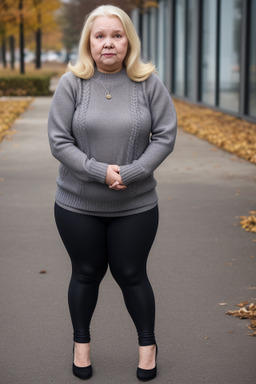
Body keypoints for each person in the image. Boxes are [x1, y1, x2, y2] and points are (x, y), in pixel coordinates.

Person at [48, 4, 177, 381]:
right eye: (100, 35)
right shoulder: (72, 83)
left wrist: (133, 172)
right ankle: (81, 345)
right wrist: (100, 172)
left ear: (128, 42)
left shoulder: (149, 83)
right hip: (77, 203)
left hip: (135, 204)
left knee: (132, 274)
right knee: (86, 273)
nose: (109, 43)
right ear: (89, 42)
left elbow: (165, 136)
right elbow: (59, 141)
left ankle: (148, 346)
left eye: (117, 35)